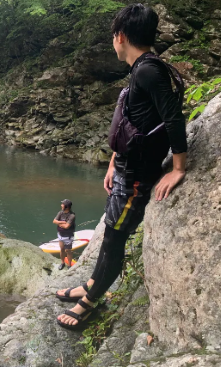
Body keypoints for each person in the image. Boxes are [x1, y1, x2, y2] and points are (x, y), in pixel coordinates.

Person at [56, 4, 187, 330]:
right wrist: (113, 162)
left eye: (113, 36)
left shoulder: (148, 71)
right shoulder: (142, 68)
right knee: (110, 233)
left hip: (138, 179)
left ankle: (90, 301)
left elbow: (173, 118)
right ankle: (91, 283)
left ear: (121, 37)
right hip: (125, 171)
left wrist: (179, 168)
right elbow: (136, 122)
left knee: (114, 240)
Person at [53, 199, 76, 271]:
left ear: (67, 206)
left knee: (68, 251)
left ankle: (69, 265)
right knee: (62, 250)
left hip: (68, 236)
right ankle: (62, 263)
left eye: (62, 204)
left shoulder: (72, 215)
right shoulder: (60, 213)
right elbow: (54, 221)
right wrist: (62, 222)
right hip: (60, 235)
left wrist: (59, 224)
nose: (61, 205)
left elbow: (67, 226)